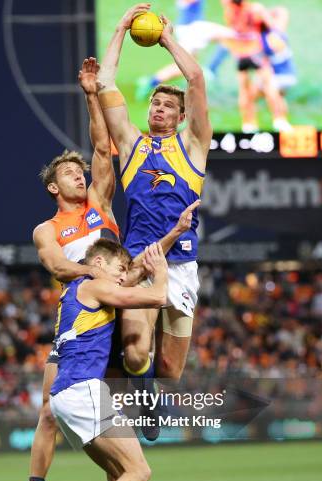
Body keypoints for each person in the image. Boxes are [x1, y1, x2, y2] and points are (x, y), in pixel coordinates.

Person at [17, 56, 200, 481]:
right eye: (69, 174)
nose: (80, 176)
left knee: (143, 360)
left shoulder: (100, 203)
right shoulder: (47, 229)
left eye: (81, 173)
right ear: (53, 186)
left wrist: (91, 93)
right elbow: (58, 266)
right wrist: (99, 279)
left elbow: (103, 148)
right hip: (83, 311)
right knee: (48, 407)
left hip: (117, 296)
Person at [98, 3, 211, 392]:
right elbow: (105, 84)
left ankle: (150, 389)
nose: (159, 109)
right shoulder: (132, 145)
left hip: (180, 265)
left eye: (168, 106)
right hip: (138, 261)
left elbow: (195, 79)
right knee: (136, 353)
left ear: (181, 117)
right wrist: (120, 28)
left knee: (170, 370)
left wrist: (166, 39)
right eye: (155, 104)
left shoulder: (193, 147)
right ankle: (139, 387)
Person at [51, 238, 168, 481]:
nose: (121, 277)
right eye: (119, 269)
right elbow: (156, 297)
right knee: (139, 471)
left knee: (122, 476)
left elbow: (125, 286)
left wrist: (135, 270)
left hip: (66, 397)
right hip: (84, 390)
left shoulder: (79, 290)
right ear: (98, 262)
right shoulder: (94, 283)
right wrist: (159, 272)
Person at [135, 0, 235, 99]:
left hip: (191, 28)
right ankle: (211, 69)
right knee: (233, 36)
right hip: (191, 29)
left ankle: (151, 82)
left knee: (189, 65)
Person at [221, 0, 291, 132]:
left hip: (241, 54)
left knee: (243, 89)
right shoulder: (254, 9)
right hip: (255, 52)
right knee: (269, 85)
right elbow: (272, 26)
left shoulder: (229, 10)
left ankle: (248, 124)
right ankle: (279, 120)